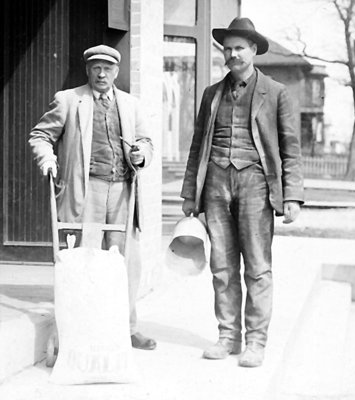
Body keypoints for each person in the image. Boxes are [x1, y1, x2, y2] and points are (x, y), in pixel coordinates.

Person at [181, 17, 304, 367]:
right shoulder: (211, 94)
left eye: (239, 48)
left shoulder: (277, 93)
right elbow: (196, 147)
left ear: (253, 51)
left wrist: (292, 195)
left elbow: (291, 149)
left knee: (258, 267)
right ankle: (227, 337)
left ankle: (256, 342)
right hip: (216, 186)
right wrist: (191, 193)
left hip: (256, 184)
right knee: (221, 266)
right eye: (228, 48)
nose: (232, 54)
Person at [29, 44, 156, 351]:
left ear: (116, 72)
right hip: (86, 190)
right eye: (96, 68)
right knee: (86, 261)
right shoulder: (70, 100)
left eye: (108, 68)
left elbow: (146, 142)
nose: (102, 74)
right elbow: (40, 136)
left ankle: (127, 328)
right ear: (88, 70)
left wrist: (141, 154)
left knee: (125, 261)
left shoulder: (129, 104)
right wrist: (47, 158)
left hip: (123, 190)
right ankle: (82, 331)